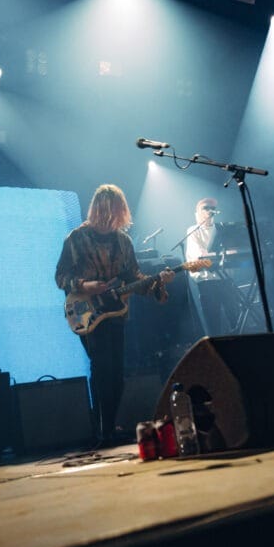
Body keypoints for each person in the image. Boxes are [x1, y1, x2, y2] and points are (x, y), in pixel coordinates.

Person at [55, 184, 176, 445]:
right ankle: (104, 431)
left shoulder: (124, 242)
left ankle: (108, 427)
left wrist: (157, 283)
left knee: (117, 372)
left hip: (116, 312)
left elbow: (134, 278)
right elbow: (61, 276)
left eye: (116, 213)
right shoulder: (76, 239)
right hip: (86, 311)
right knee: (101, 367)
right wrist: (86, 285)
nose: (111, 219)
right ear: (98, 210)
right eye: (107, 212)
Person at [184, 197, 243, 336]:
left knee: (236, 319)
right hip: (207, 282)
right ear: (197, 212)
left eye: (212, 208)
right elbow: (199, 255)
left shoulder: (221, 229)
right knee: (213, 323)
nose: (210, 210)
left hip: (226, 280)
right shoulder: (193, 230)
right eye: (206, 208)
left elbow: (233, 251)